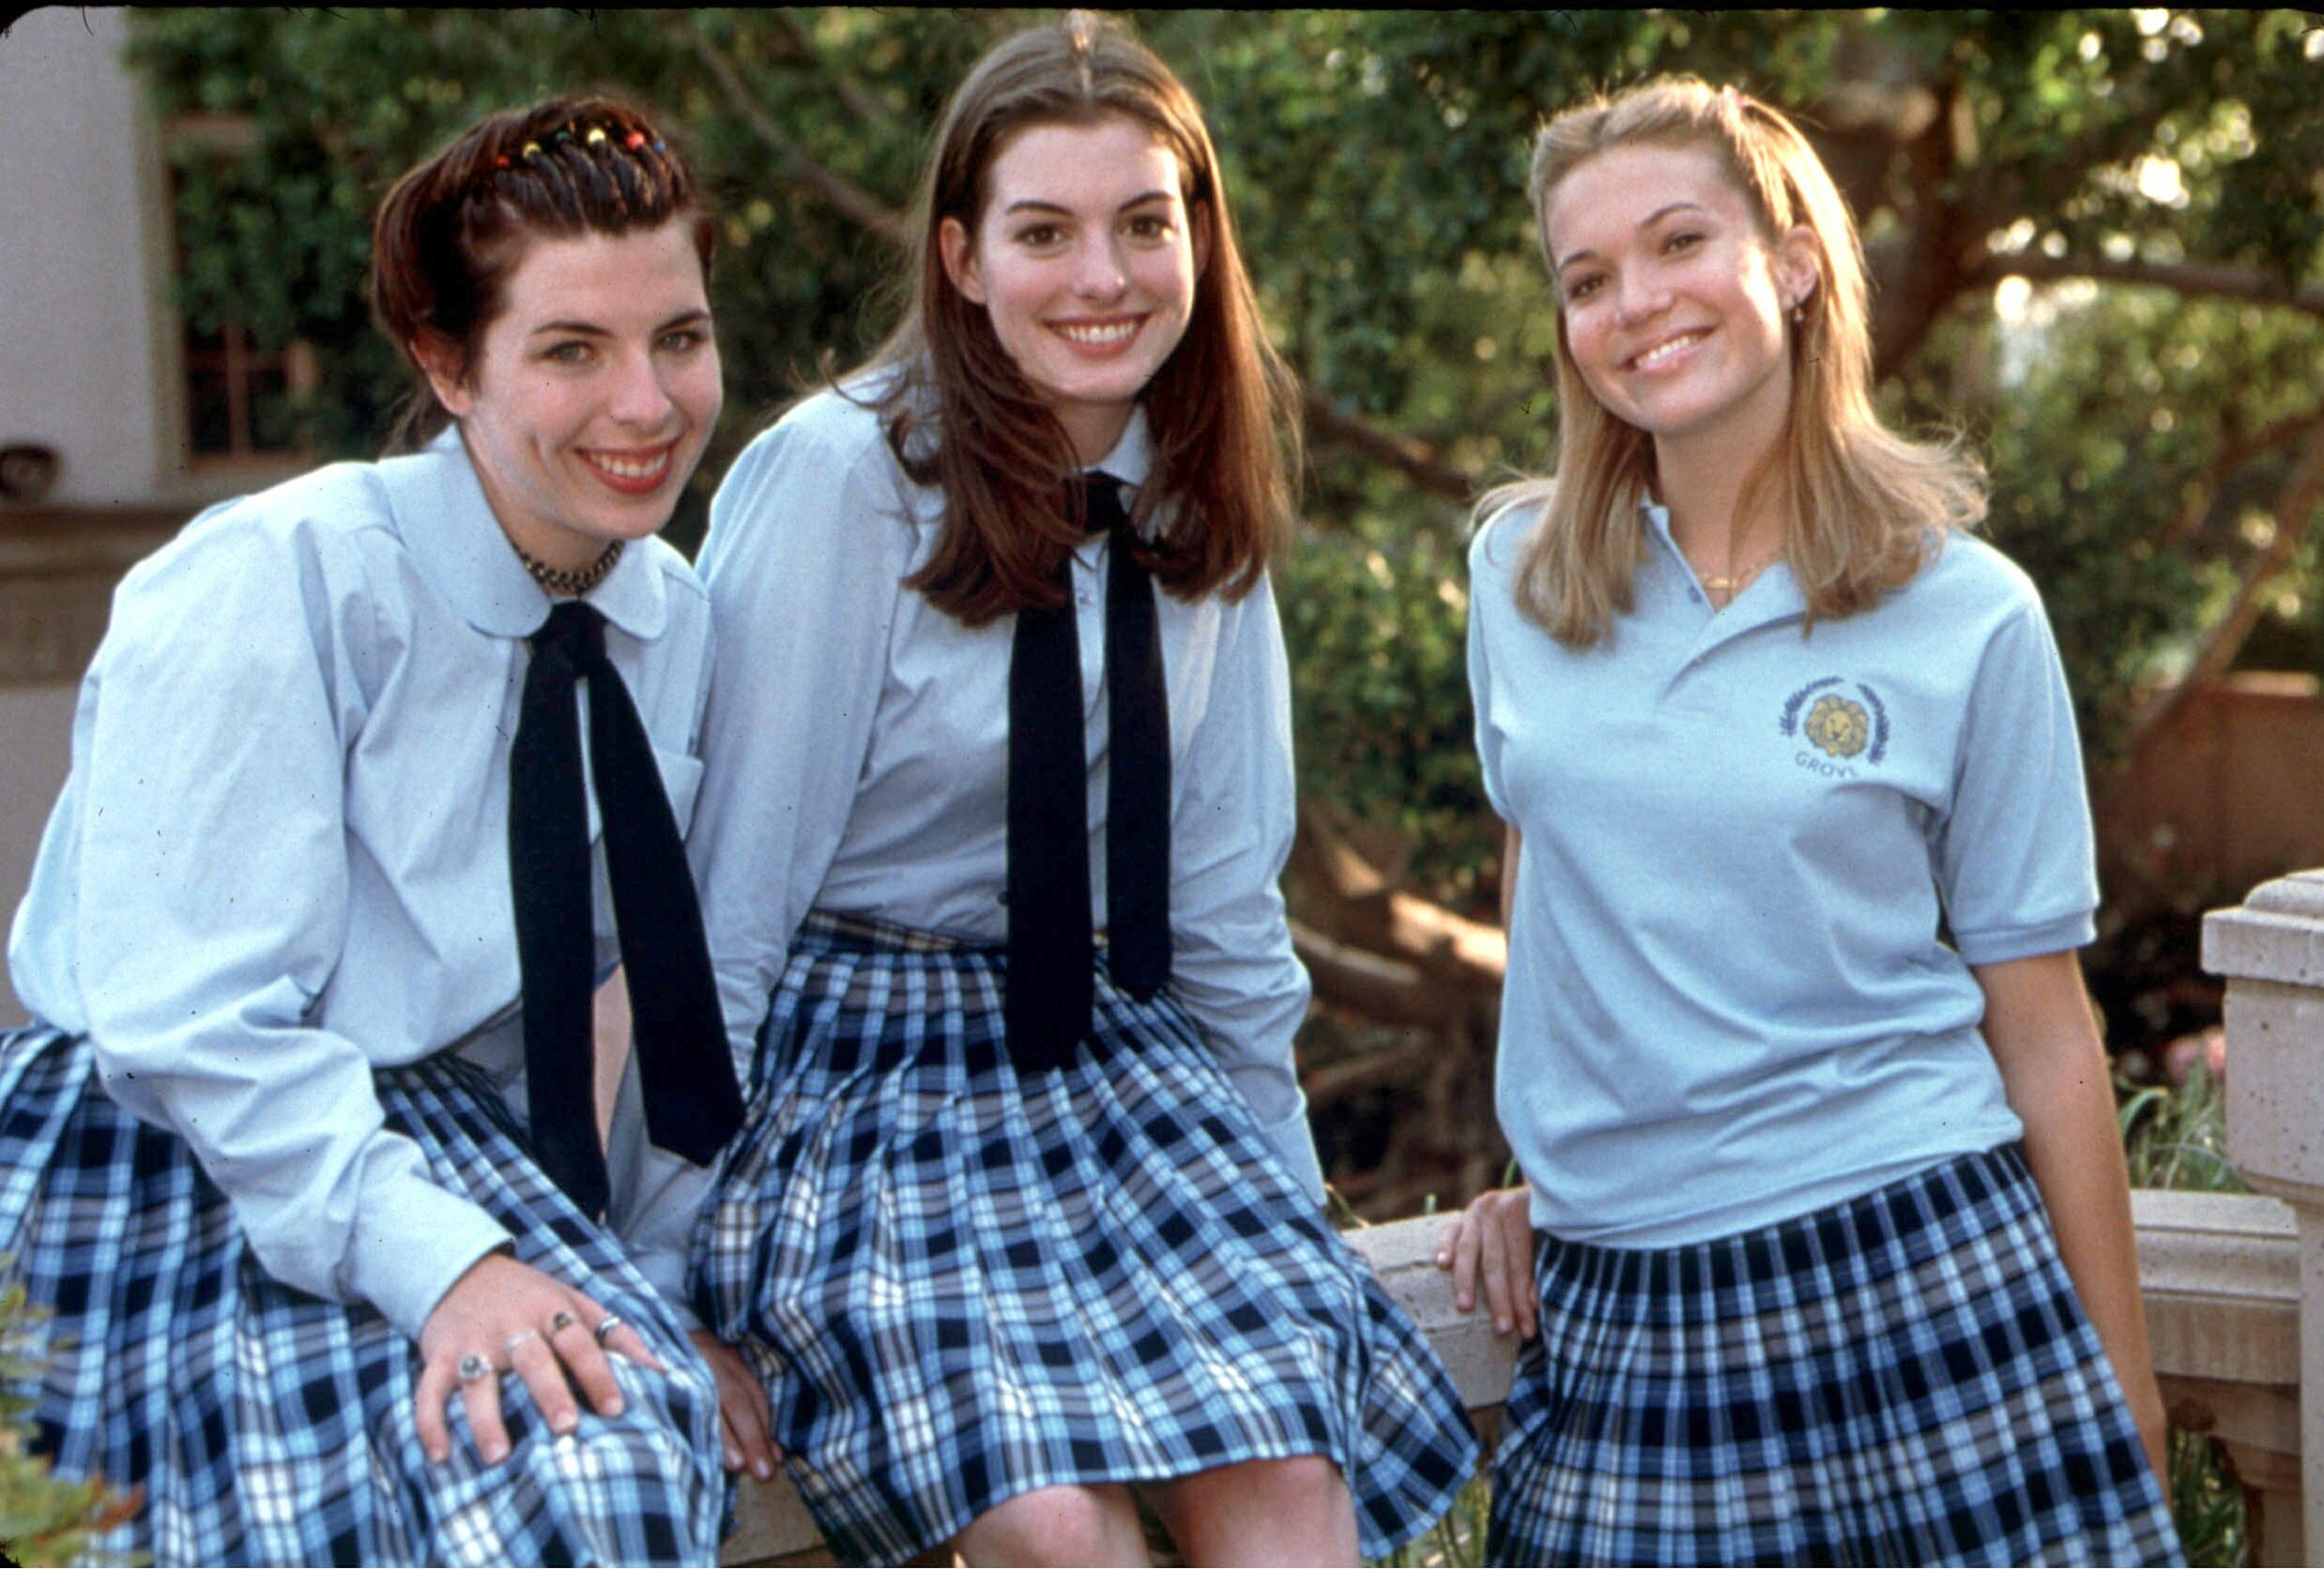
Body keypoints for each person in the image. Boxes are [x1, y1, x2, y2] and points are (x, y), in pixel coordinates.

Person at [685, 12, 1478, 1567]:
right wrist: (661, 1273)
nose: (1102, 279)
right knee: (1054, 1518)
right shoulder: (842, 482)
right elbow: (720, 915)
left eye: (1142, 225)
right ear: (963, 258)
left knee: (1290, 1480)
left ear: (1200, 239)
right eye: (1044, 232)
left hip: (1113, 1056)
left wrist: (1286, 1207)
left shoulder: (1199, 485)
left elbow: (1223, 900)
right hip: (856, 1076)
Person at [0, 95, 773, 1563]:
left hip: (454, 1147)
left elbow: (673, 1008)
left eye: (679, 337)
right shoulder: (274, 579)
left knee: (604, 1464)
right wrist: (451, 1268)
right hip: (177, 1149)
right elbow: (190, 1025)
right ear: (444, 361)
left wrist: (653, 1285)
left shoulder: (666, 627)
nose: (648, 404)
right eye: (571, 349)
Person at [1439, 75, 2182, 1566]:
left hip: (1930, 1269)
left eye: (1676, 244)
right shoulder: (1520, 583)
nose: (1635, 302)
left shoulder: (1971, 613)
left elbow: (2043, 1024)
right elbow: (1561, 892)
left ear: (1788, 257)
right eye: (1588, 279)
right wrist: (1551, 1160)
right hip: (1629, 1307)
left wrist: (2129, 1398)